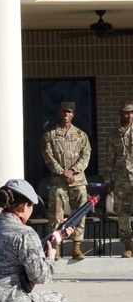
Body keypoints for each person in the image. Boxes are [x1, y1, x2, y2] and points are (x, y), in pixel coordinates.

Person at [41, 101, 92, 260]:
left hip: (78, 180)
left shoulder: (81, 135)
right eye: (63, 111)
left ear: (73, 114)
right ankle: (55, 247)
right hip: (58, 181)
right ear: (59, 113)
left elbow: (86, 156)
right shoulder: (50, 135)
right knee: (55, 215)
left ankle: (76, 247)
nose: (66, 114)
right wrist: (62, 172)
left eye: (69, 112)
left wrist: (72, 171)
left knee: (79, 214)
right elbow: (47, 157)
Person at [103, 102, 133, 258]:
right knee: (123, 214)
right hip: (122, 180)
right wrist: (108, 180)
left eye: (131, 113)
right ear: (120, 113)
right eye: (126, 113)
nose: (129, 115)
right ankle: (128, 246)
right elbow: (109, 159)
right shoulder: (113, 135)